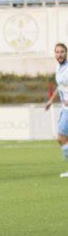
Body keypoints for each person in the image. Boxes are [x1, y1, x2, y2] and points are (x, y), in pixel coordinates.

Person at [43, 42, 68, 178]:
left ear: (66, 53)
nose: (59, 54)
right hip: (65, 108)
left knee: (62, 137)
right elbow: (60, 86)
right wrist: (51, 100)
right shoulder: (58, 67)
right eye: (57, 52)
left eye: (62, 52)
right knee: (62, 138)